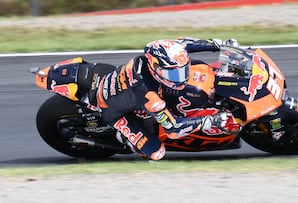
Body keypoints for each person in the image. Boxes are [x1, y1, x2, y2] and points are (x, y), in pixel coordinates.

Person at [96, 37, 237, 160]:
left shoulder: (161, 56)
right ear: (155, 68)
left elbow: (185, 43)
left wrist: (219, 44)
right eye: (173, 75)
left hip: (117, 86)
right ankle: (125, 139)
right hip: (112, 111)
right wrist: (210, 120)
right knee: (156, 152)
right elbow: (174, 130)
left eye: (183, 71)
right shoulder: (149, 95)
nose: (181, 79)